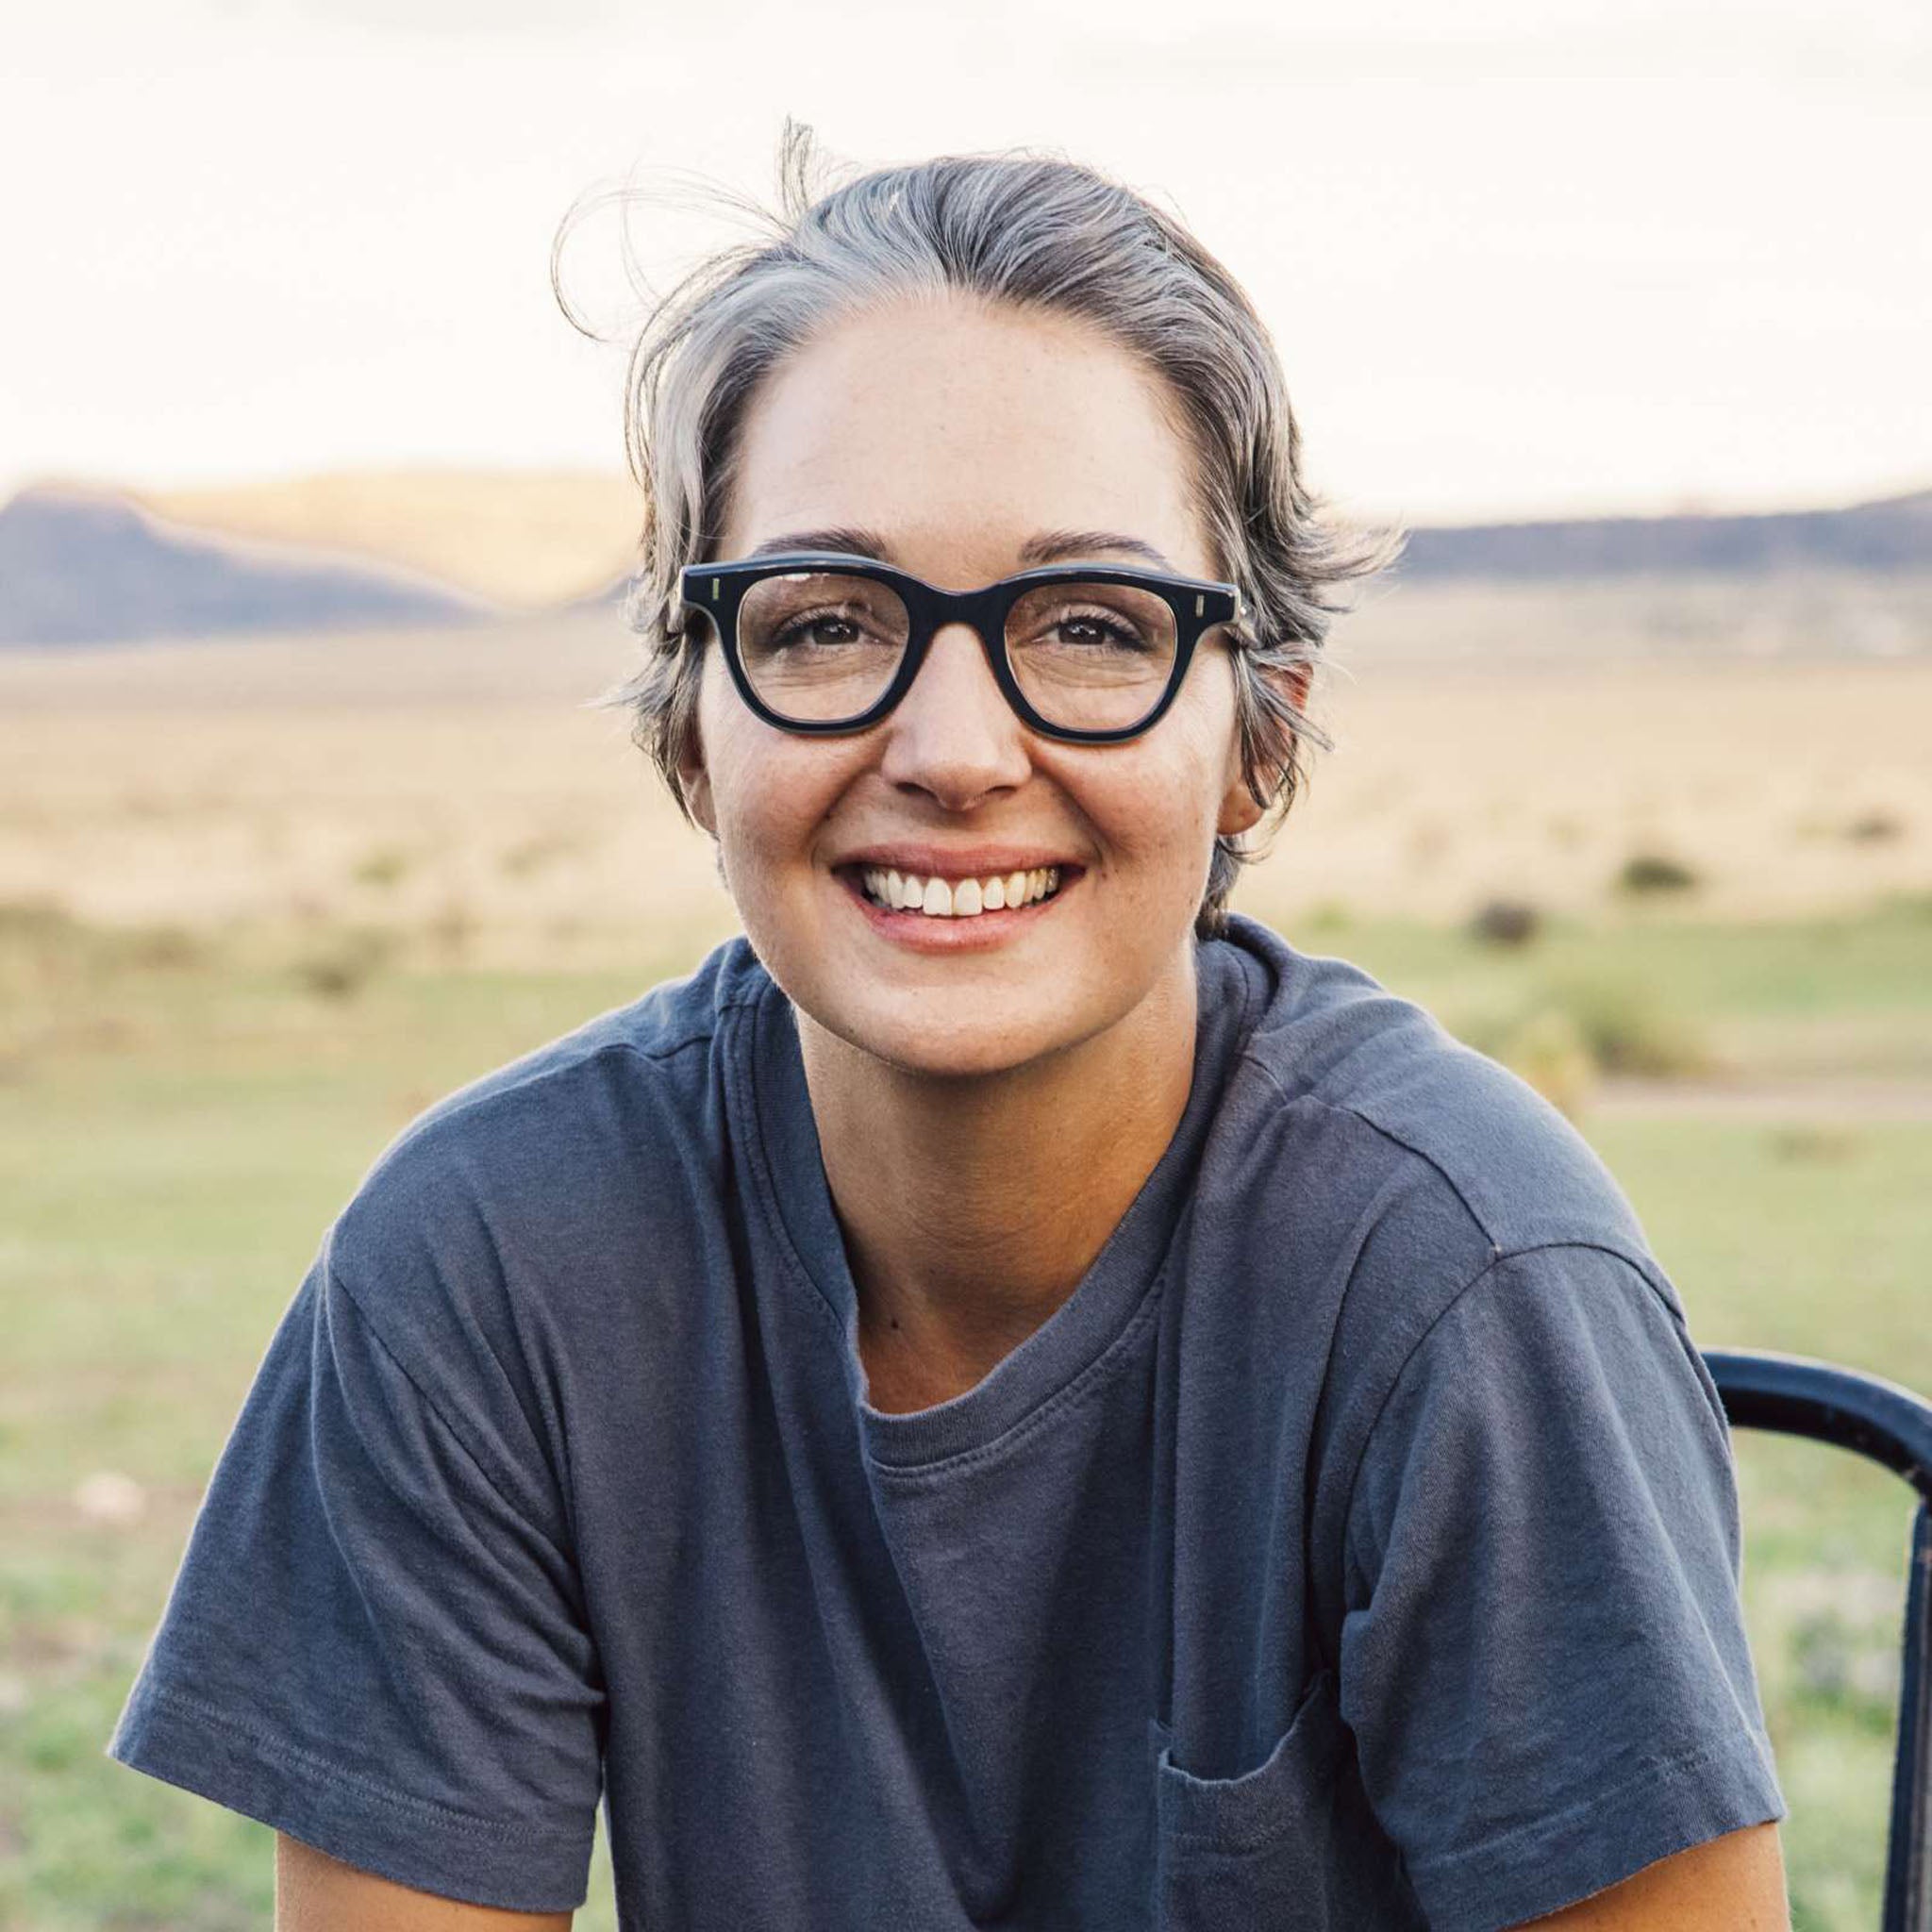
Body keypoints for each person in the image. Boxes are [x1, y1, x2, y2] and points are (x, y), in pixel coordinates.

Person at [106, 125, 1790, 1930]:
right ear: (693, 724)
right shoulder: (490, 1266)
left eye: (1088, 624)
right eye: (829, 622)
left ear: (1262, 737)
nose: (959, 750)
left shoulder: (1467, 1280)